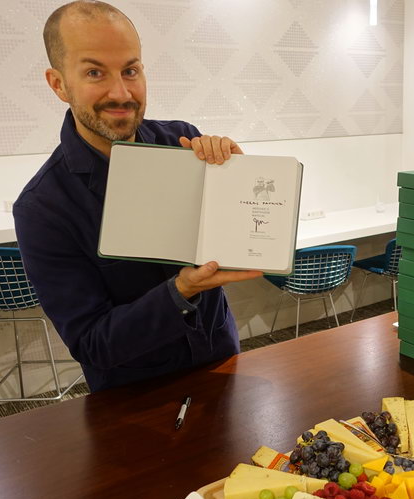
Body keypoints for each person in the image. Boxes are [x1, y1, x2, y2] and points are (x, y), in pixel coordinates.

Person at [13, 0, 261, 392]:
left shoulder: (183, 142)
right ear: (58, 83)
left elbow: (225, 242)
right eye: (95, 72)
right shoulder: (42, 208)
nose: (121, 92)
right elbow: (92, 343)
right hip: (134, 398)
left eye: (131, 70)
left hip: (221, 360)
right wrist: (183, 291)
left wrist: (238, 187)